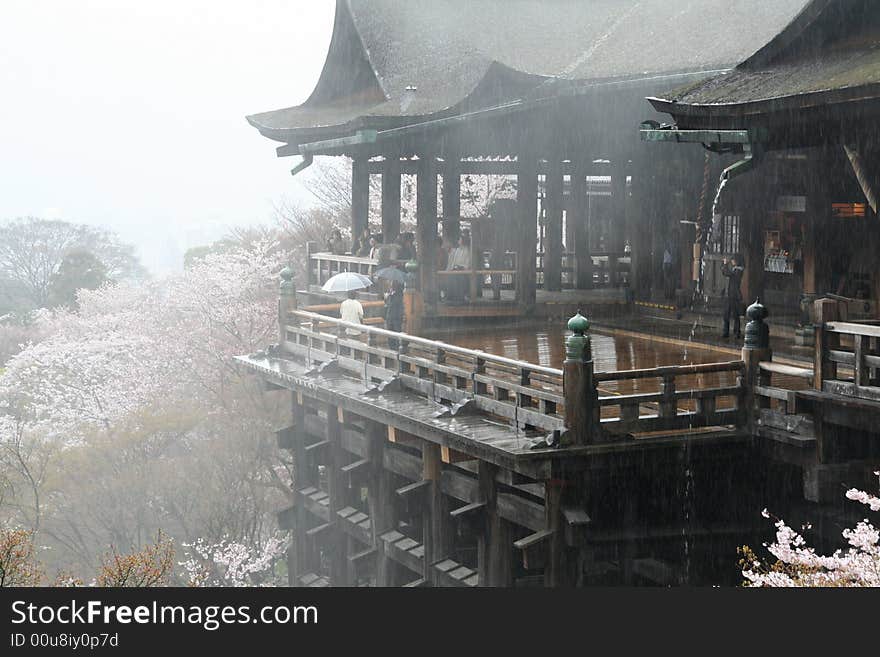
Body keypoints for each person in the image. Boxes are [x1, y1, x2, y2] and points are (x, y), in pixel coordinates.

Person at [443, 231, 471, 303]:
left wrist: (461, 267)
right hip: (455, 269)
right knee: (450, 277)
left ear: (463, 241)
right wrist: (450, 269)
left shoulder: (467, 250)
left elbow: (467, 263)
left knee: (459, 278)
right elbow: (453, 261)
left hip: (463, 270)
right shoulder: (457, 250)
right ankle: (451, 296)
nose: (459, 241)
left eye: (460, 239)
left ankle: (460, 296)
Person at [720, 256, 744, 339]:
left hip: (734, 295)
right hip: (729, 294)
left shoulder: (739, 270)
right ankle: (725, 332)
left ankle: (736, 332)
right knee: (726, 314)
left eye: (734, 260)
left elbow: (728, 273)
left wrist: (725, 264)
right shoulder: (734, 269)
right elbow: (725, 273)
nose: (732, 261)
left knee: (735, 314)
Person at [384, 280, 405, 348]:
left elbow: (395, 304)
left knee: (396, 333)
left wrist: (390, 296)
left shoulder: (399, 295)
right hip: (390, 317)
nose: (391, 286)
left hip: (396, 317)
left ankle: (396, 347)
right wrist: (387, 297)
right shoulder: (390, 294)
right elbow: (387, 304)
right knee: (390, 333)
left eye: (392, 284)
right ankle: (391, 347)